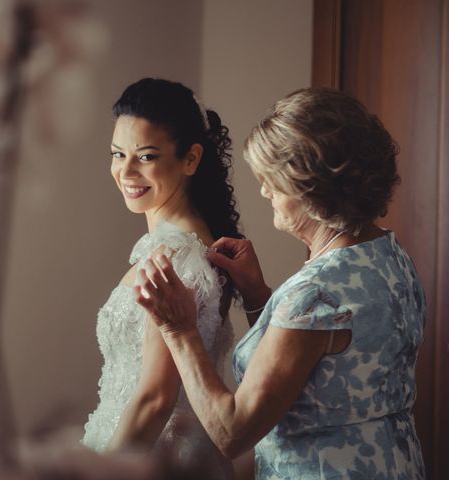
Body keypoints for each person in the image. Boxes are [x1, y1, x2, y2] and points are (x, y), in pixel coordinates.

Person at [135, 87, 426, 479]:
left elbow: (232, 430)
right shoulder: (389, 255)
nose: (264, 190)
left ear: (311, 187)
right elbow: (320, 367)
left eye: (273, 180)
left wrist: (180, 328)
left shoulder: (314, 294)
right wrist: (258, 296)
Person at [81, 78, 241, 478]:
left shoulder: (179, 258)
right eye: (118, 154)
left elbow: (155, 399)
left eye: (146, 156)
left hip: (155, 459)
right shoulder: (169, 246)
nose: (126, 171)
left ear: (190, 159)